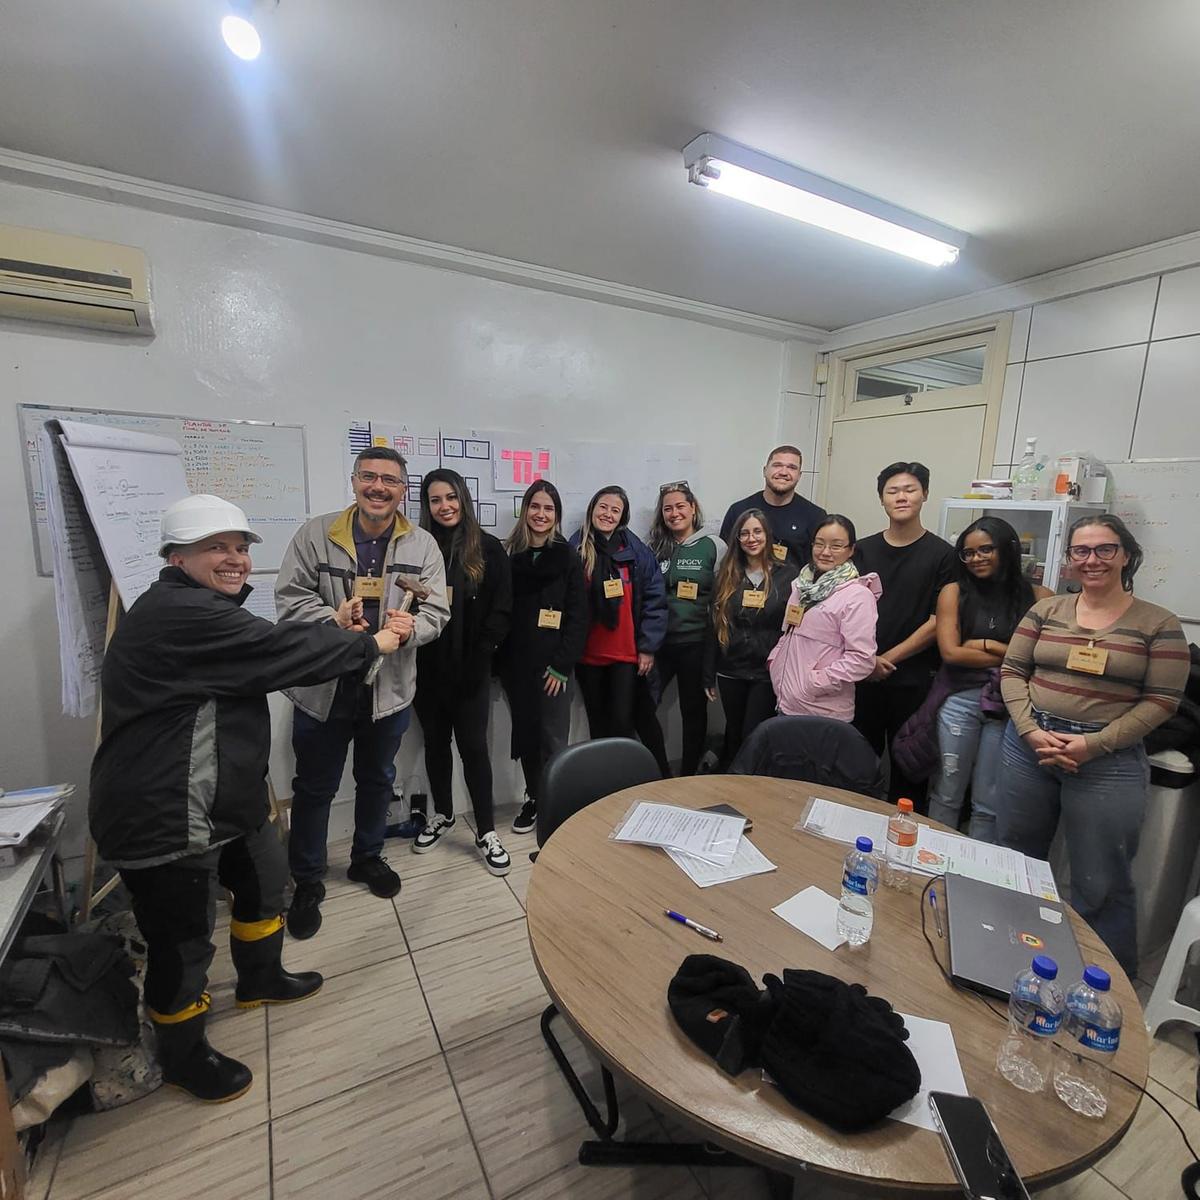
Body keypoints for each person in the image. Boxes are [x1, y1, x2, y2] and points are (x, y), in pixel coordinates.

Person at [90, 494, 406, 1102]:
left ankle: (261, 979)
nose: (235, 559)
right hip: (167, 807)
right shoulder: (182, 614)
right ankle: (183, 1053)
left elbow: (264, 648)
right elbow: (276, 652)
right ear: (176, 556)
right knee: (181, 941)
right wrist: (372, 645)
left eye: (239, 548)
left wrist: (332, 630)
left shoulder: (203, 607)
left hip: (225, 797)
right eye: (217, 548)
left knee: (266, 880)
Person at [997, 514, 1189, 977]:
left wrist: (1094, 745)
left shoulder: (1158, 624)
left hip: (1108, 760)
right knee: (1016, 863)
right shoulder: (1046, 611)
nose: (1092, 560)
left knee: (1100, 883)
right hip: (1030, 746)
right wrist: (1029, 729)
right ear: (1069, 560)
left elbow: (1163, 701)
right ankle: (1010, 966)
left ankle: (1101, 992)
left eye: (1104, 549)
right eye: (1081, 551)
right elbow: (1012, 672)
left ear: (1126, 554)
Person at [276, 446, 449, 939]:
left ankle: (366, 858)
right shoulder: (316, 534)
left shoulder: (423, 547)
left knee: (378, 779)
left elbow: (438, 611)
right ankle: (307, 879)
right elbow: (289, 599)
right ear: (353, 482)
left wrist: (410, 627)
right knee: (314, 787)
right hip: (322, 689)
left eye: (389, 480)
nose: (378, 487)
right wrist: (331, 621)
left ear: (402, 490)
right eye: (369, 477)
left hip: (388, 689)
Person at [409, 470, 513, 873]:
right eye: (435, 500)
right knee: (436, 745)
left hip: (470, 671)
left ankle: (486, 830)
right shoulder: (417, 548)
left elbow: (503, 608)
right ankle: (444, 814)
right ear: (427, 506)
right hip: (426, 671)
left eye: (450, 497)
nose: (444, 506)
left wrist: (482, 657)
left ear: (463, 499)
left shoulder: (487, 548)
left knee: (474, 750)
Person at [926, 518, 1050, 841]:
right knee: (947, 790)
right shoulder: (953, 593)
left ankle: (978, 869)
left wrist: (986, 645)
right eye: (968, 553)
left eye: (985, 550)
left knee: (989, 799)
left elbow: (1040, 658)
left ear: (1006, 549)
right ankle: (931, 857)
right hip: (959, 700)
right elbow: (951, 653)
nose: (976, 559)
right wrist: (1014, 654)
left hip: (1009, 704)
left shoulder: (1039, 596)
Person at [853, 462, 956, 807]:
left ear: (925, 494)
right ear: (881, 499)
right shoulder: (863, 550)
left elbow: (937, 621)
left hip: (913, 679)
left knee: (908, 770)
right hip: (862, 676)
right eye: (892, 491)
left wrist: (887, 659)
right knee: (857, 763)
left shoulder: (943, 554)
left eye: (909, 489)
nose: (901, 497)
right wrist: (866, 661)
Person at [498, 481, 588, 834]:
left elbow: (579, 616)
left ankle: (557, 803)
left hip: (555, 668)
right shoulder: (512, 557)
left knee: (553, 739)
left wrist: (562, 666)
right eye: (535, 506)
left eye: (548, 508)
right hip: (518, 667)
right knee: (526, 737)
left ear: (557, 515)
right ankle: (535, 798)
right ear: (525, 511)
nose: (541, 514)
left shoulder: (567, 556)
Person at [636, 482, 726, 776]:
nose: (674, 513)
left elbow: (723, 596)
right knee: (641, 706)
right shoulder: (655, 548)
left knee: (693, 712)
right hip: (659, 645)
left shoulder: (713, 545)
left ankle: (687, 775)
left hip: (696, 642)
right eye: (667, 509)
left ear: (693, 508)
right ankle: (658, 771)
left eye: (680, 506)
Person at [570, 485, 668, 740]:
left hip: (626, 655)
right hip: (588, 654)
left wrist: (648, 647)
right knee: (597, 723)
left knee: (622, 724)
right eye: (603, 507)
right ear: (592, 509)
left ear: (622, 517)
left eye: (615, 510)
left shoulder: (637, 552)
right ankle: (603, 779)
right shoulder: (576, 549)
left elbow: (655, 601)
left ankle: (625, 778)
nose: (607, 514)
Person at [705, 508, 798, 765]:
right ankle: (734, 787)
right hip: (731, 668)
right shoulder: (726, 574)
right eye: (744, 533)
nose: (751, 538)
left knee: (754, 734)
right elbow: (713, 626)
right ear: (737, 538)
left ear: (767, 535)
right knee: (734, 732)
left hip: (766, 671)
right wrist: (708, 672)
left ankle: (753, 787)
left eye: (757, 531)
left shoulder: (788, 575)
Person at [768, 514, 880, 721]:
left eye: (836, 546)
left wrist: (814, 683)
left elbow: (862, 659)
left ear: (851, 550)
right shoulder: (802, 586)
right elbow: (788, 632)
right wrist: (775, 661)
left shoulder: (857, 595)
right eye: (819, 544)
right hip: (787, 702)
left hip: (822, 712)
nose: (825, 552)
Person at [719, 445, 826, 569]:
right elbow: (726, 559)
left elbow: (817, 564)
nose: (784, 472)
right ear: (765, 471)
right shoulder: (738, 511)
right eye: (777, 465)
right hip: (743, 586)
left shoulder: (815, 516)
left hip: (793, 587)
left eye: (792, 467)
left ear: (799, 475)